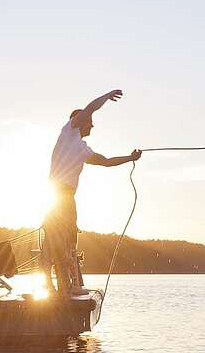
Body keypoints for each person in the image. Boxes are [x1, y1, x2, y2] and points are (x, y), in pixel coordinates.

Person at [45, 89, 142, 297]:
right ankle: (55, 285)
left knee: (69, 238)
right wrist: (107, 97)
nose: (93, 124)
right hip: (57, 195)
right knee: (57, 239)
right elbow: (90, 108)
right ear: (79, 121)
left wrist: (130, 158)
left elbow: (106, 162)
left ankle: (66, 283)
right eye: (89, 121)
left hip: (66, 197)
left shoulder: (83, 149)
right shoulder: (68, 132)